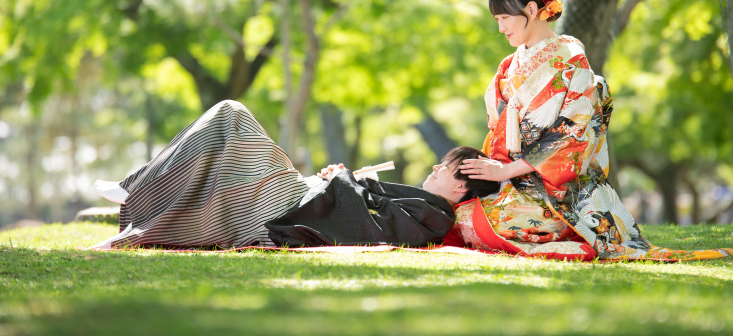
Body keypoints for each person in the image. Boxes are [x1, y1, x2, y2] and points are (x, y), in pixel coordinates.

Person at [451, 0, 733, 261]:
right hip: (512, 179)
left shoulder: (572, 58)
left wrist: (506, 172)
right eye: (497, 20)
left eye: (504, 18)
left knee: (484, 223)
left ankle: (577, 242)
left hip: (557, 190)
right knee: (463, 211)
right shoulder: (511, 63)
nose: (500, 28)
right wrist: (496, 173)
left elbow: (570, 131)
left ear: (532, 11)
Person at [90, 100, 499, 250]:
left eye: (442, 166)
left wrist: (344, 181)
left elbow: (373, 231)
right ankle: (135, 193)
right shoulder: (424, 207)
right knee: (225, 141)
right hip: (303, 195)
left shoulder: (435, 218)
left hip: (294, 204)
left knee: (232, 116)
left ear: (461, 185)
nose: (432, 167)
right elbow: (369, 206)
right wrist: (342, 181)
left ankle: (134, 194)